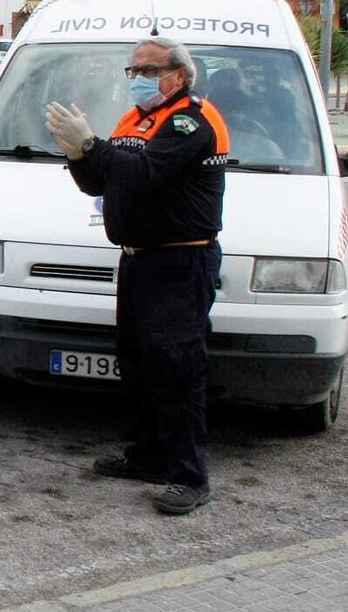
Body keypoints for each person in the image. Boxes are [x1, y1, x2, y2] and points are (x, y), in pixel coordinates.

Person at [45, 36, 230, 516]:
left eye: (149, 70)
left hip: (179, 262)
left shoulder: (191, 118)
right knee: (139, 363)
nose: (139, 79)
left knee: (177, 370)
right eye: (133, 71)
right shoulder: (136, 119)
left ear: (180, 76)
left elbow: (146, 172)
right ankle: (149, 455)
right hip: (138, 260)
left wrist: (91, 144)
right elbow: (106, 180)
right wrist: (76, 156)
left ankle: (190, 476)